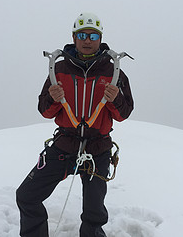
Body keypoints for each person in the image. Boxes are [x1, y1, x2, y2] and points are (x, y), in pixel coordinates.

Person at [16, 12, 134, 237]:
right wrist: (52, 97)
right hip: (64, 145)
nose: (87, 40)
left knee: (94, 212)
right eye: (82, 35)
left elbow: (124, 113)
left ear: (100, 38)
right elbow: (44, 110)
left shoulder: (113, 71)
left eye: (92, 35)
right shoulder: (59, 69)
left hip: (98, 149)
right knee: (27, 195)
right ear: (74, 37)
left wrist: (115, 99)